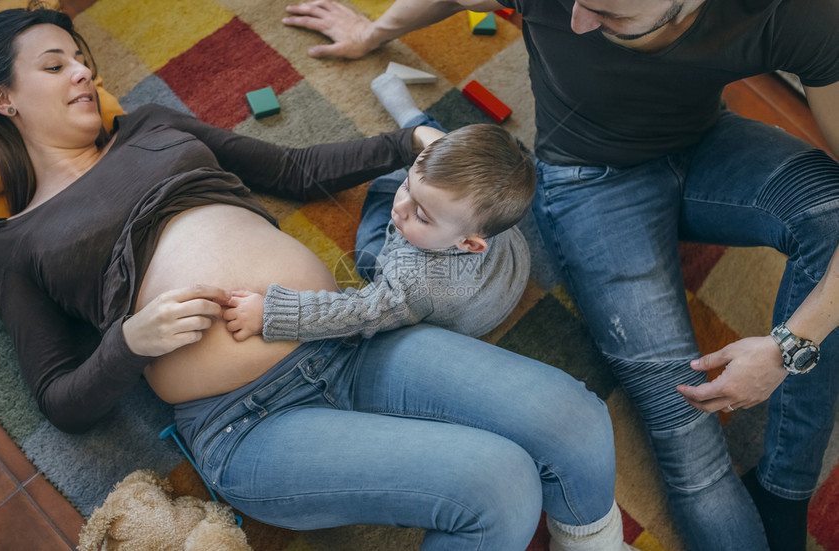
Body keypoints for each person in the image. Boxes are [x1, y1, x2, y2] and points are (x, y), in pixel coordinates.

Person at [0, 7, 634, 551]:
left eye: (80, 56)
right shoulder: (16, 244)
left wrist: (411, 148)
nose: (83, 70)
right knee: (501, 486)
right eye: (55, 64)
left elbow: (290, 171)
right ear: (3, 98)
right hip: (248, 421)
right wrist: (131, 340)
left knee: (574, 417)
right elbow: (61, 400)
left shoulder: (150, 125)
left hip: (352, 338)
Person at [280, 0, 839, 549]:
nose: (575, 20)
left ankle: (783, 489)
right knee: (688, 429)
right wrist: (374, 32)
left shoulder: (794, 13)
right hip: (588, 181)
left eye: (608, 13)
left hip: (709, 143)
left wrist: (792, 344)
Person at [223, 74, 534, 342]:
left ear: (468, 244)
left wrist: (271, 313)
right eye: (407, 189)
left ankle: (411, 142)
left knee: (369, 245)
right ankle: (413, 125)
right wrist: (421, 202)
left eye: (421, 215)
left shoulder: (416, 283)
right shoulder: (478, 214)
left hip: (457, 312)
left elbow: (353, 314)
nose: (399, 208)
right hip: (502, 270)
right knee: (458, 165)